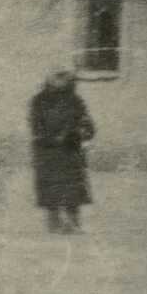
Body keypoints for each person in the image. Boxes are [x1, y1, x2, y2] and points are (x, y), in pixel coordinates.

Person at [29, 70, 96, 233]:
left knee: (73, 188)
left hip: (71, 150)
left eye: (65, 78)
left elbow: (88, 125)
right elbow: (36, 127)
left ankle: (73, 223)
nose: (61, 82)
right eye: (57, 78)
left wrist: (82, 132)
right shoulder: (39, 101)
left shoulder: (75, 101)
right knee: (51, 188)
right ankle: (54, 224)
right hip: (48, 152)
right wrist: (54, 138)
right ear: (50, 80)